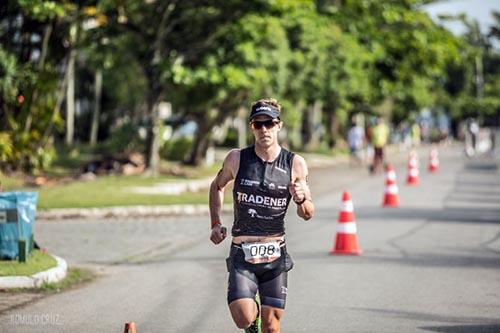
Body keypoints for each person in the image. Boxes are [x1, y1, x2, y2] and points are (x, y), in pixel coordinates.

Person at [209, 98, 315, 333]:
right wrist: (216, 223)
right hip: (242, 255)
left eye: (269, 123)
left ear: (279, 125)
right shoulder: (237, 159)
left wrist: (301, 199)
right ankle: (252, 321)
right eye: (259, 124)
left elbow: (308, 213)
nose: (264, 129)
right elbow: (217, 186)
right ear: (252, 127)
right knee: (243, 319)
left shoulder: (295, 163)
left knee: (272, 326)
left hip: (275, 254)